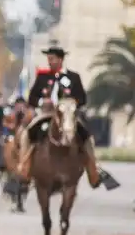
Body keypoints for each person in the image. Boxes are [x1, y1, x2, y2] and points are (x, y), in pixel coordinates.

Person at [18, 44, 113, 189]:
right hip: (46, 114)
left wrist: (72, 102)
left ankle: (94, 172)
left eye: (52, 59)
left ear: (60, 60)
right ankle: (24, 169)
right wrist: (43, 101)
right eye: (48, 59)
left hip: (68, 115)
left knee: (86, 137)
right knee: (26, 134)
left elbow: (82, 99)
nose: (50, 62)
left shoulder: (73, 77)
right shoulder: (43, 77)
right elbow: (31, 98)